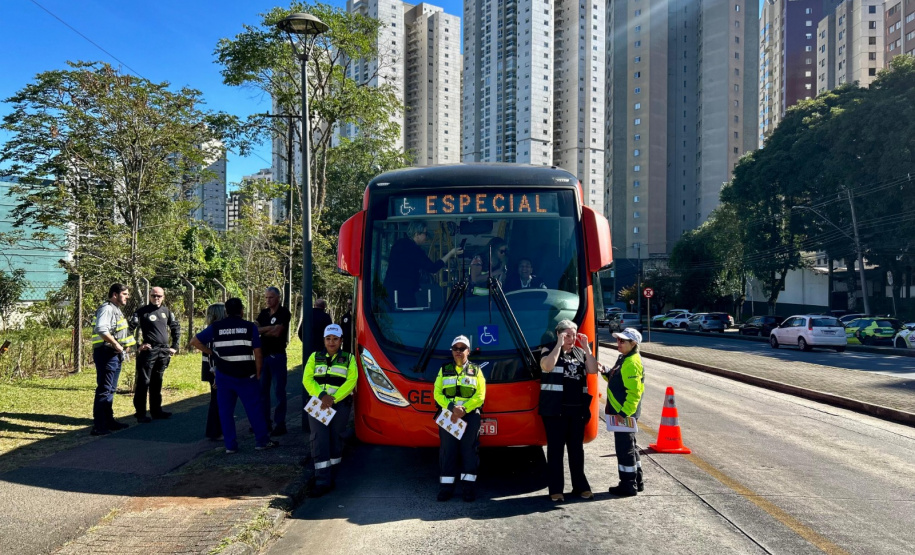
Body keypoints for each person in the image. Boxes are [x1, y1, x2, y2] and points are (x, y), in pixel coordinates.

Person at [190, 297, 278, 454]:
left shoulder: (216, 327)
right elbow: (258, 353)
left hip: (224, 376)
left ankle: (230, 446)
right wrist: (258, 372)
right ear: (242, 311)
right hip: (247, 376)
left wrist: (212, 353)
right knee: (254, 409)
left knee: (225, 412)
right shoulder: (249, 327)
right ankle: (262, 442)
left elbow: (195, 341)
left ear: (226, 311)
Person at [539, 319, 598, 501]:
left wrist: (587, 349)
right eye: (567, 335)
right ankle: (556, 490)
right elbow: (547, 366)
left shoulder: (580, 353)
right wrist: (559, 344)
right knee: (555, 451)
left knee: (576, 450)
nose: (571, 338)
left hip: (577, 411)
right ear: (559, 334)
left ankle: (581, 487)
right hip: (555, 411)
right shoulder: (548, 349)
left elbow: (593, 370)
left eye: (573, 335)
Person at [302, 324, 358, 497]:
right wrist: (322, 395)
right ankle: (322, 481)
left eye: (335, 339)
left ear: (341, 340)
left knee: (335, 437)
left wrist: (334, 398)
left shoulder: (349, 359)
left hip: (339, 404)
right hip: (318, 403)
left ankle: (334, 474)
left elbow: (352, 380)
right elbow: (307, 379)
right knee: (319, 439)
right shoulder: (314, 357)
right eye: (328, 339)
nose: (331, 342)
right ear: (324, 340)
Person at [433, 335, 486, 502]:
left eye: (462, 348)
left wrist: (464, 409)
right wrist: (451, 408)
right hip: (449, 416)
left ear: (468, 351)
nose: (458, 351)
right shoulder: (444, 369)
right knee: (448, 452)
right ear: (452, 351)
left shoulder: (476, 370)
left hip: (469, 416)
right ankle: (446, 489)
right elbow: (437, 393)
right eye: (455, 348)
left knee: (469, 451)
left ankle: (468, 489)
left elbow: (480, 395)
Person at [89, 283, 137, 435]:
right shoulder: (107, 308)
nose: (127, 297)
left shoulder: (116, 310)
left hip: (114, 354)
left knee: (111, 389)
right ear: (115, 295)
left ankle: (109, 421)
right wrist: (116, 344)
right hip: (106, 353)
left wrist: (126, 346)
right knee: (104, 389)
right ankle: (99, 425)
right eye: (124, 294)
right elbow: (101, 329)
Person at [603, 327, 646, 497]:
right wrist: (606, 372)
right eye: (618, 340)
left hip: (623, 414)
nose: (618, 343)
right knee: (630, 446)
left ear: (633, 343)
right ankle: (637, 482)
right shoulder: (625, 358)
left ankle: (628, 485)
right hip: (622, 412)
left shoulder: (631, 362)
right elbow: (617, 381)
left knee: (624, 449)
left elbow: (634, 392)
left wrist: (624, 413)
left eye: (622, 341)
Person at [129, 286, 180, 423]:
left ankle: (156, 411)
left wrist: (174, 346)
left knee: (157, 381)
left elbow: (175, 327)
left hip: (163, 351)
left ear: (163, 297)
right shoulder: (141, 312)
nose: (156, 298)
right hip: (149, 351)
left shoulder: (167, 312)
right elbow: (128, 330)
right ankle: (140, 414)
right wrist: (138, 346)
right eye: (153, 296)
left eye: (159, 296)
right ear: (149, 296)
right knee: (144, 382)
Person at [383, 221, 462, 308]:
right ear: (417, 234)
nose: (426, 236)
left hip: (388, 290)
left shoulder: (397, 244)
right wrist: (450, 253)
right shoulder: (415, 250)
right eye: (425, 233)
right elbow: (433, 268)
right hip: (405, 292)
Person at [256, 286, 292, 436]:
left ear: (278, 298)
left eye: (270, 297)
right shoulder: (263, 313)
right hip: (264, 356)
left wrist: (265, 330)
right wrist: (270, 328)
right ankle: (265, 422)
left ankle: (280, 423)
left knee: (279, 391)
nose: (267, 300)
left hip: (277, 356)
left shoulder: (284, 312)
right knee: (262, 391)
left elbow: (278, 332)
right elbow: (255, 330)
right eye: (266, 297)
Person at [200, 303, 227, 441]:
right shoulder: (214, 330)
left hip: (213, 369)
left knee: (217, 400)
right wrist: (215, 374)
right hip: (215, 370)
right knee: (217, 401)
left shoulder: (211, 329)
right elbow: (212, 355)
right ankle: (215, 431)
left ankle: (215, 430)